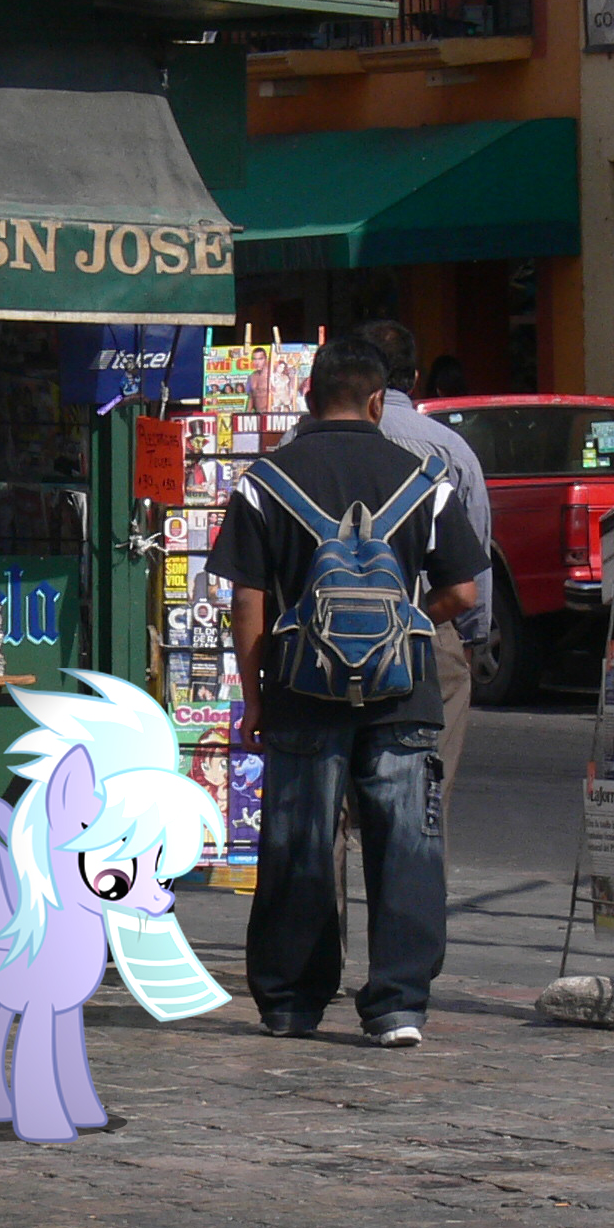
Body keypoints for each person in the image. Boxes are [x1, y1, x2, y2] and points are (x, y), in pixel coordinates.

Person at [207, 337, 485, 1046]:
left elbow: (248, 601)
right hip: (404, 694)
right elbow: (461, 589)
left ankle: (293, 1002)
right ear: (375, 401)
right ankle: (398, 1004)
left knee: (299, 843)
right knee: (405, 845)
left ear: (308, 400)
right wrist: (410, 623)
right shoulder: (427, 477)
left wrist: (256, 693)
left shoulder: (264, 481)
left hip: (303, 691)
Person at [355, 320, 493, 792]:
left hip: (326, 636)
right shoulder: (451, 449)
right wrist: (469, 639)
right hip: (429, 626)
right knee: (426, 797)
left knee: (331, 800)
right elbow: (473, 564)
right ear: (413, 380)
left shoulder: (304, 444)